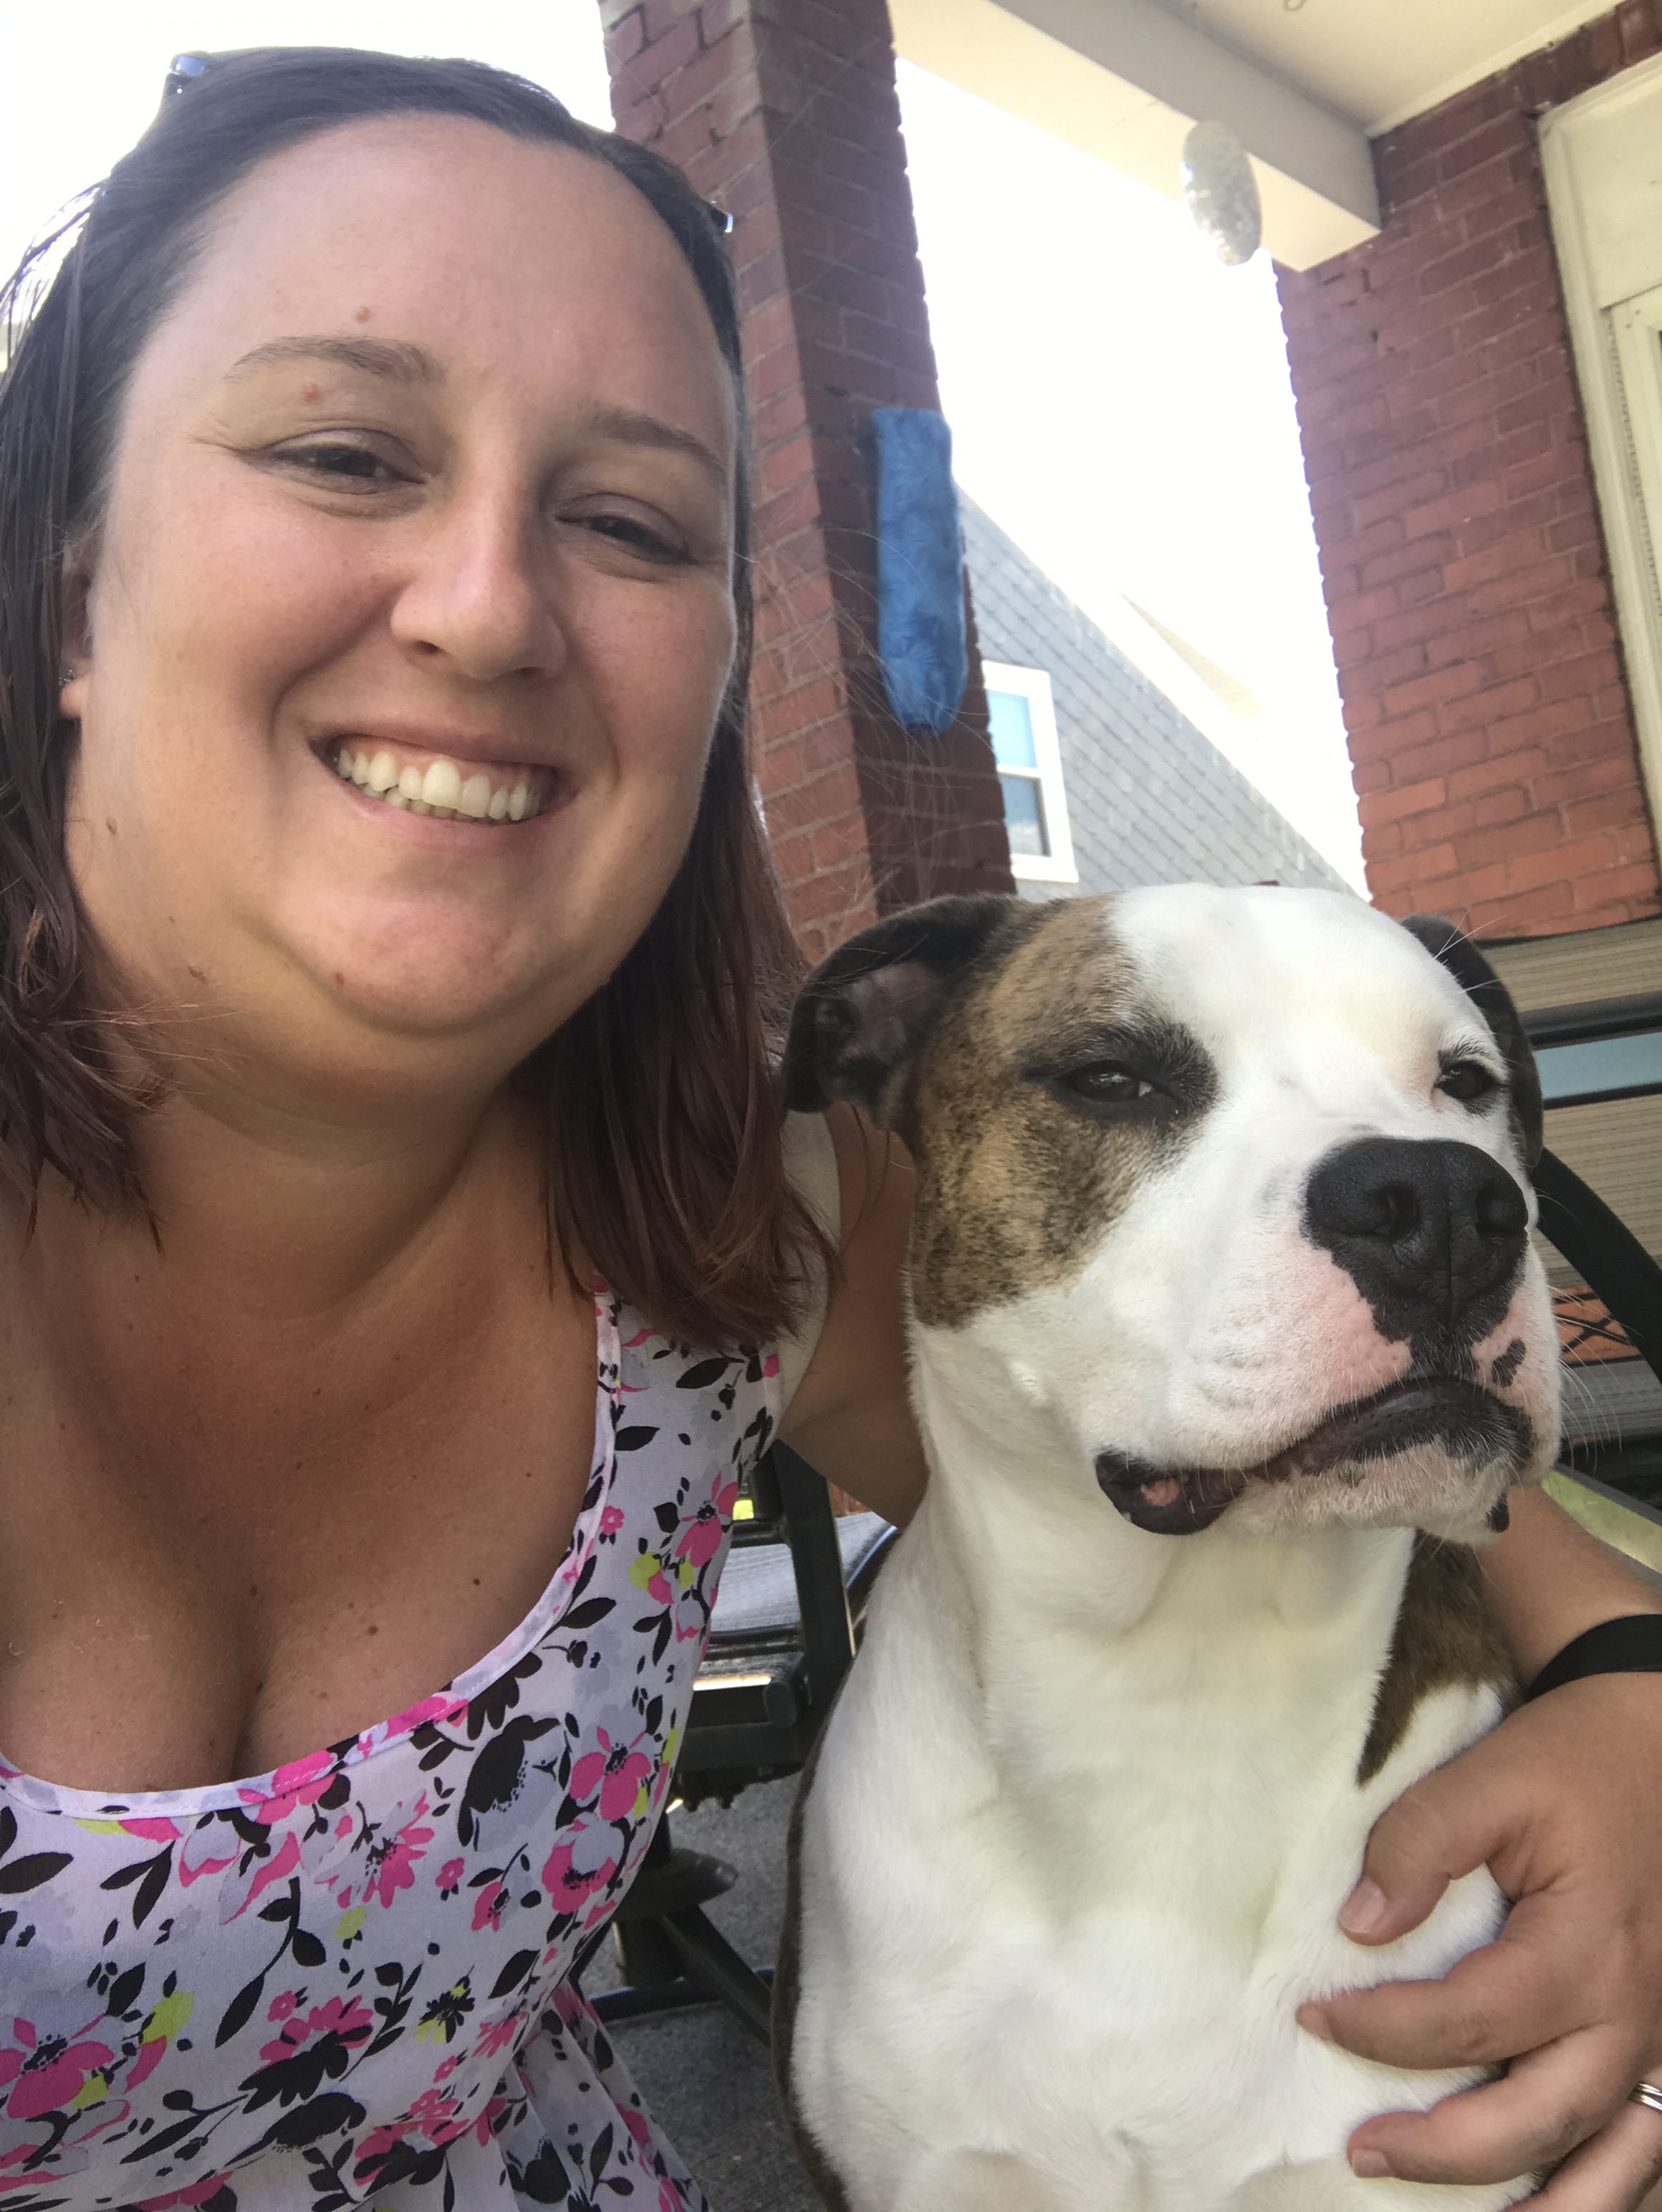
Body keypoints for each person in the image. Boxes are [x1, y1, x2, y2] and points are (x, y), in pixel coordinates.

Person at [0, 44, 1656, 2212]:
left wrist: (1635, 1692)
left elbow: (1350, 1404)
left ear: (712, 672)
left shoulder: (724, 1241)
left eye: (629, 521)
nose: (485, 606)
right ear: (66, 591)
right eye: (343, 452)